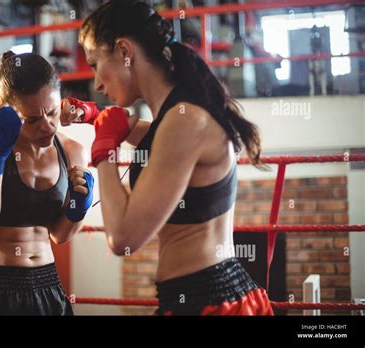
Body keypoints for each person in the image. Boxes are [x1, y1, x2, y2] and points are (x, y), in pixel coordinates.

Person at [64, 0, 273, 315]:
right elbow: (140, 131)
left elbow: (123, 239)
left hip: (211, 302)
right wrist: (93, 114)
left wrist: (103, 152)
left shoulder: (184, 121)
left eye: (95, 64)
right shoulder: (176, 114)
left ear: (124, 51)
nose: (95, 82)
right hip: (200, 295)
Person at [0, 51, 94, 315]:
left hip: (46, 285)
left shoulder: (72, 151)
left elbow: (60, 235)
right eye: (32, 119)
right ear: (6, 109)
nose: (47, 127)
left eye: (51, 112)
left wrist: (78, 208)